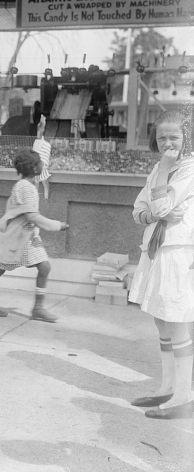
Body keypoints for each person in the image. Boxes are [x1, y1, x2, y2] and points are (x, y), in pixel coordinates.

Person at [128, 110, 194, 420]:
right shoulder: (159, 168)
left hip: (178, 252)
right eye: (161, 138)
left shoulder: (188, 169)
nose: (168, 143)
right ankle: (168, 387)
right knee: (161, 319)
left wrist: (160, 204)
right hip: (157, 249)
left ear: (187, 138)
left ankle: (183, 396)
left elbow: (164, 204)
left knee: (176, 319)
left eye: (174, 137)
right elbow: (141, 209)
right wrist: (156, 213)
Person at [0, 148, 69, 321]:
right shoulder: (25, 188)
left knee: (43, 267)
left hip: (27, 236)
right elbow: (31, 215)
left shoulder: (25, 185)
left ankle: (38, 308)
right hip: (18, 237)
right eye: (40, 162)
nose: (43, 164)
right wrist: (56, 225)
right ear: (35, 168)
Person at [33, 106, 52, 200]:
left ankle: (43, 195)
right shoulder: (40, 142)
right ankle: (45, 195)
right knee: (43, 181)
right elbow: (39, 131)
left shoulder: (38, 142)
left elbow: (39, 132)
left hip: (39, 164)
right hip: (41, 164)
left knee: (38, 180)